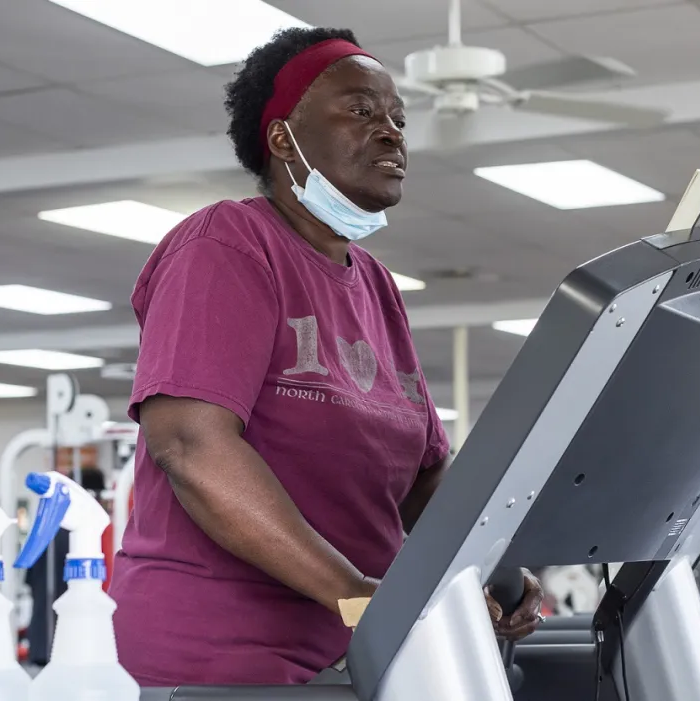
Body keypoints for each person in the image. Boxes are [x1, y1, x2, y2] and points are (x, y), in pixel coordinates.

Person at [107, 26, 545, 686]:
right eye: (363, 110)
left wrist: (496, 564)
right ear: (282, 137)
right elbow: (193, 448)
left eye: (399, 117)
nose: (393, 132)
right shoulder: (226, 244)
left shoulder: (374, 283)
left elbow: (426, 481)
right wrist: (360, 598)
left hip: (356, 647)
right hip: (223, 653)